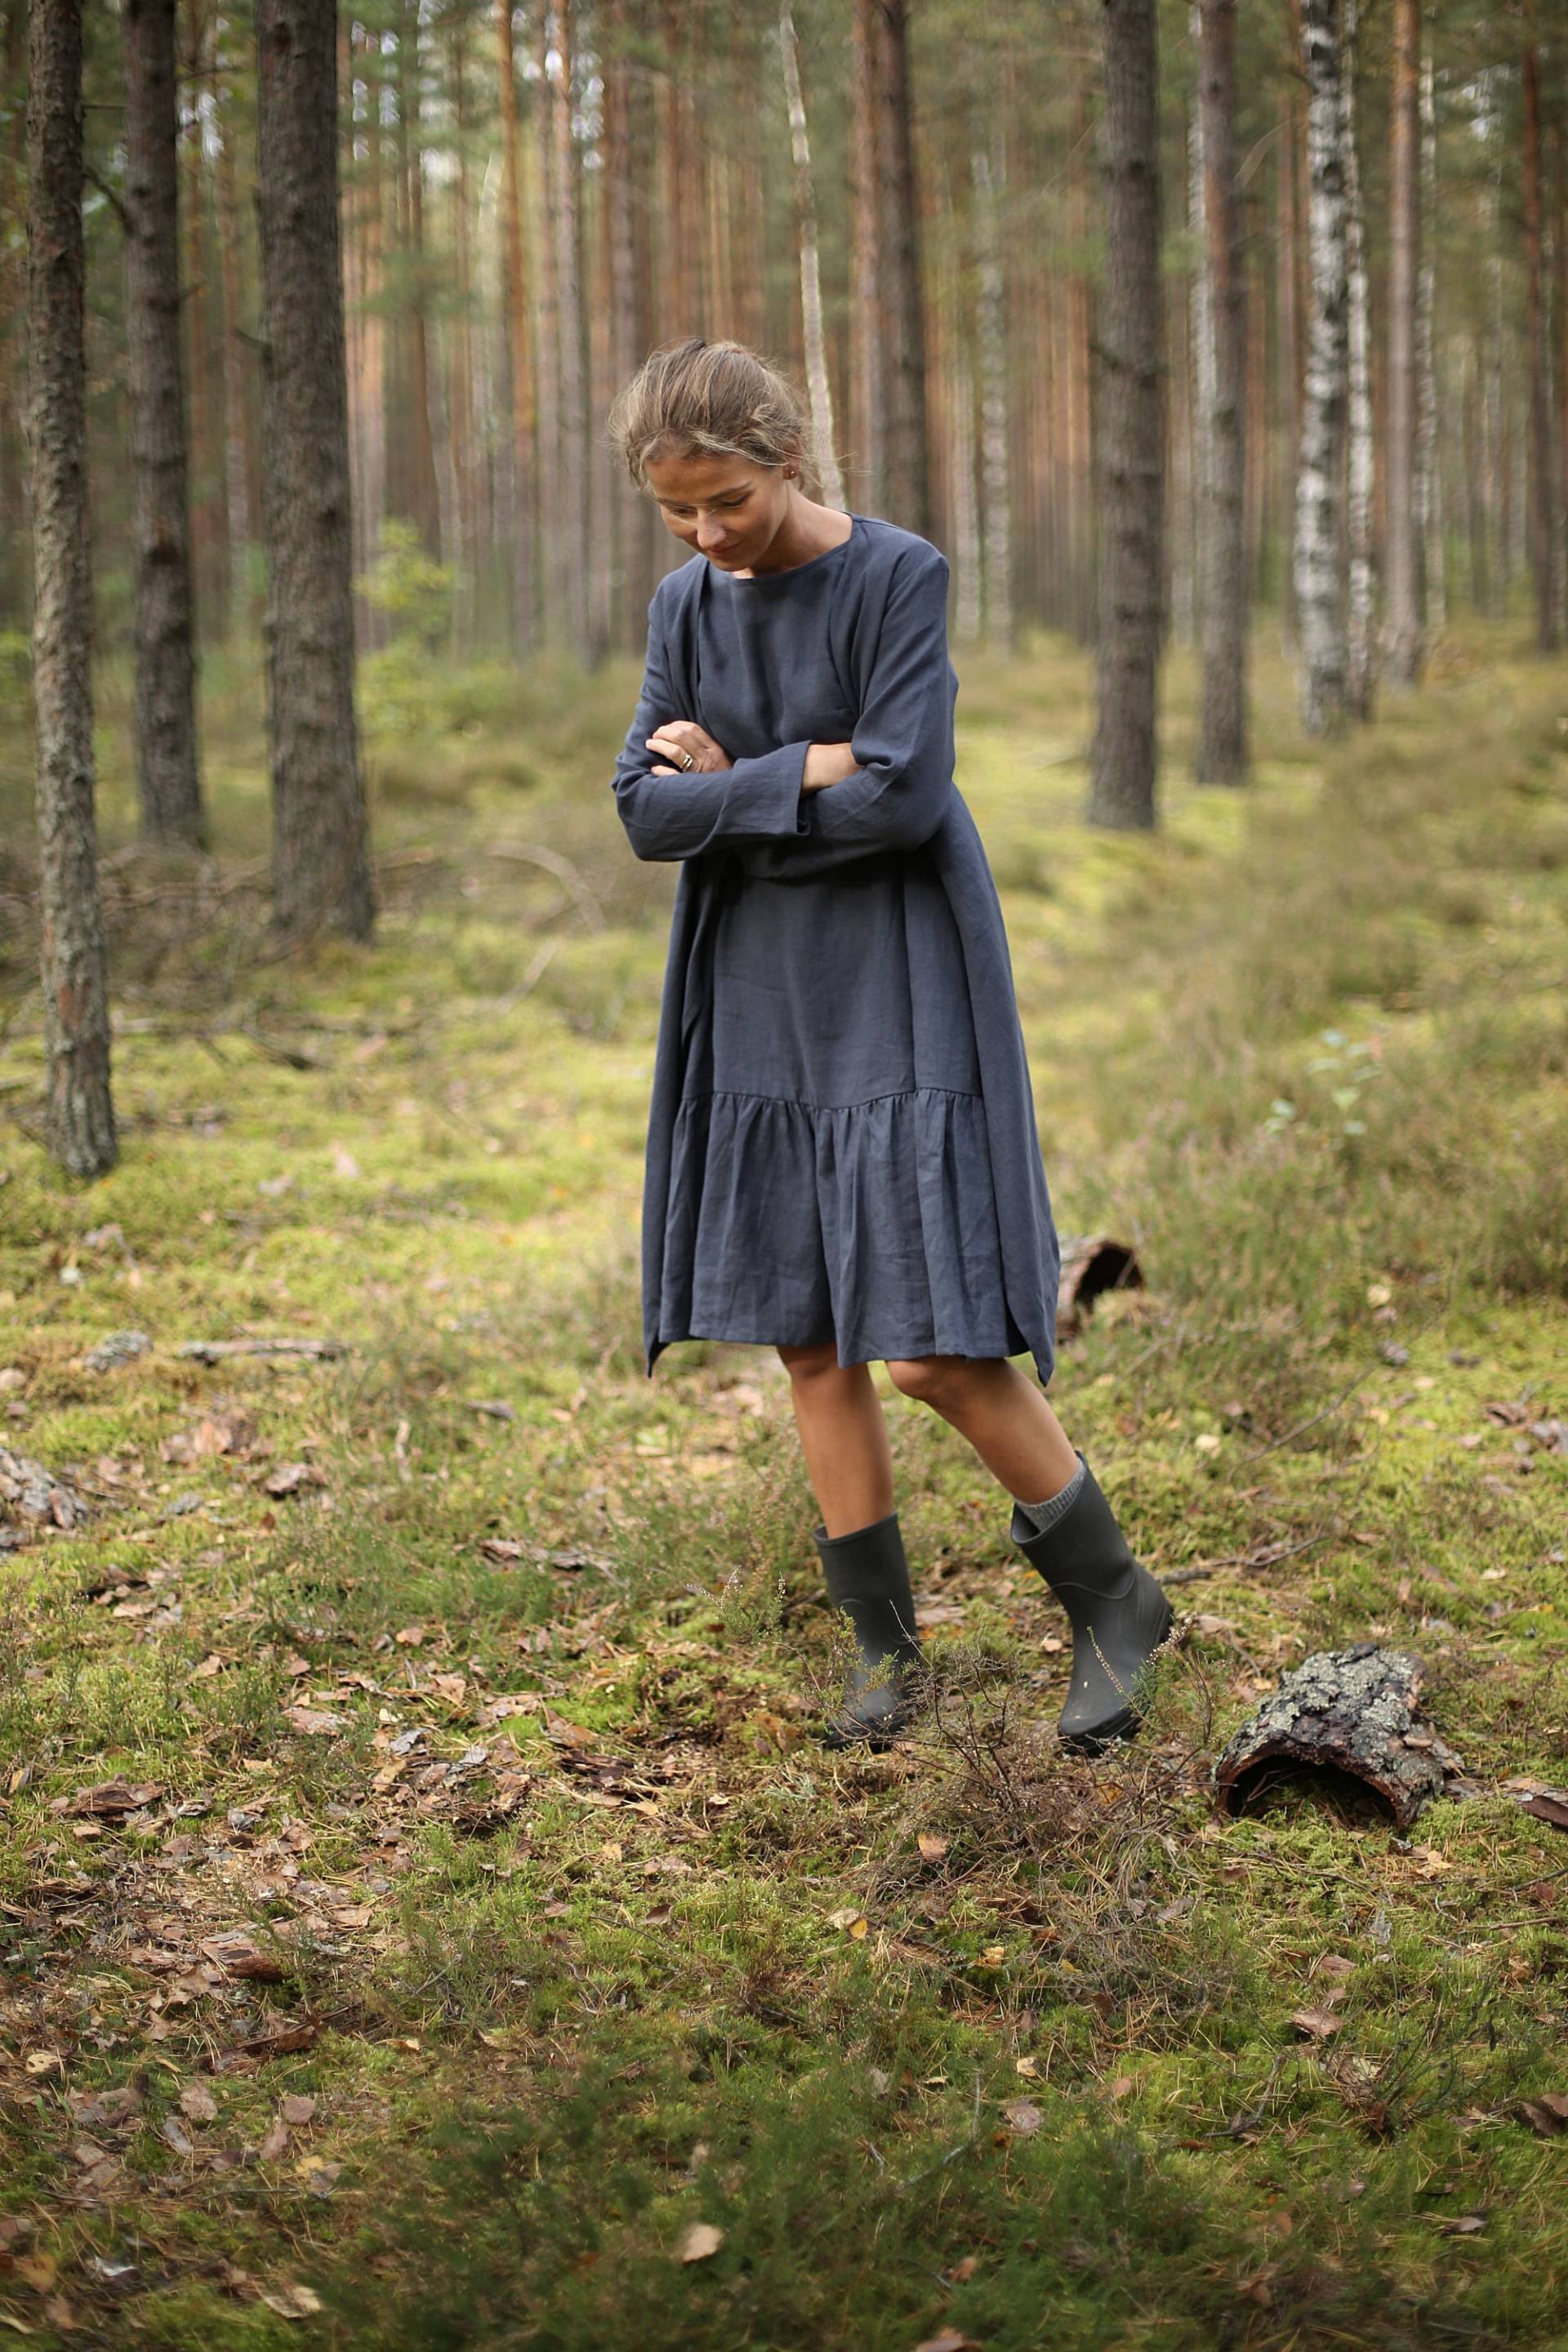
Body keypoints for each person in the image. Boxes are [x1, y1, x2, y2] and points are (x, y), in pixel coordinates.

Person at [604, 336, 1172, 1755]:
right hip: (754, 982)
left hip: (899, 968)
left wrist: (732, 781)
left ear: (782, 459)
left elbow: (910, 800)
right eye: (679, 512)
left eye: (726, 500)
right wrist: (808, 770)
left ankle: (1115, 1600)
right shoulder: (684, 601)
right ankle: (887, 1652)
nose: (707, 535)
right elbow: (638, 811)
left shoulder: (895, 573)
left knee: (928, 1345)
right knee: (807, 1335)